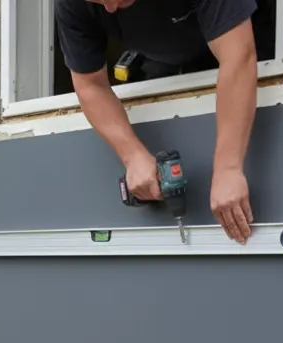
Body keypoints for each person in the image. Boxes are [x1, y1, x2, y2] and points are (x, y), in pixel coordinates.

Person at [55, 0, 259, 243]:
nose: (109, 8)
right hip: (164, 60)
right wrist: (132, 155)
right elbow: (90, 85)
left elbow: (238, 56)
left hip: (246, 39)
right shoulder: (70, 4)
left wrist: (228, 168)